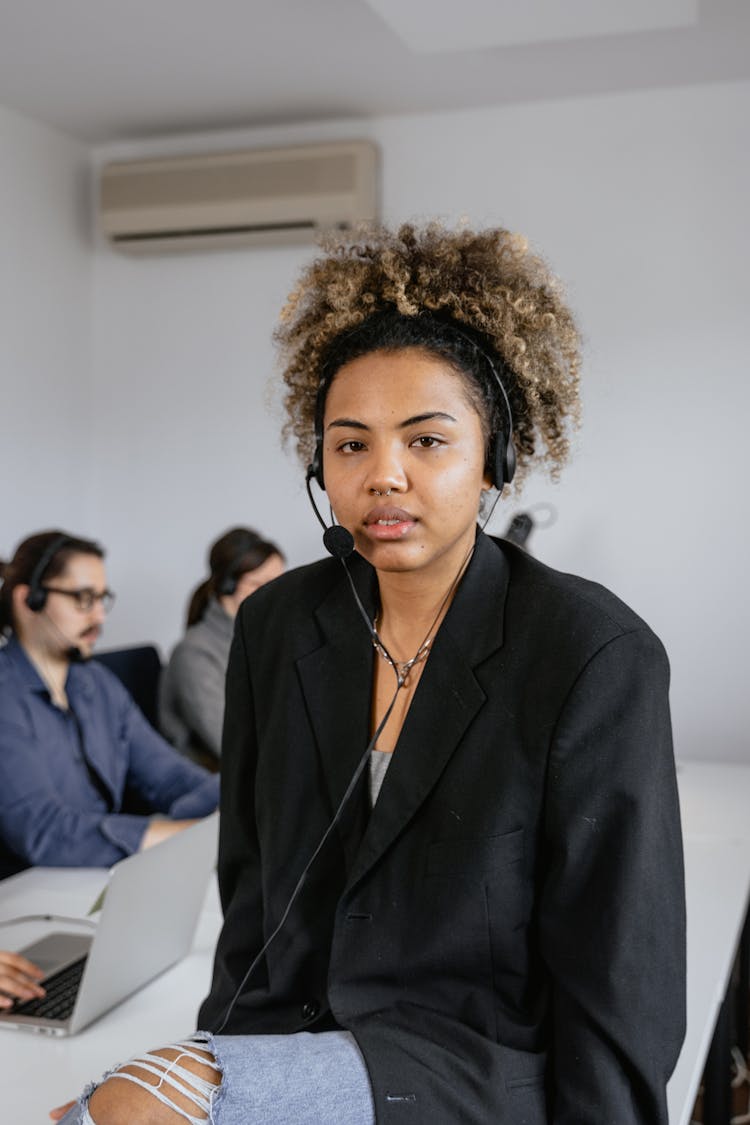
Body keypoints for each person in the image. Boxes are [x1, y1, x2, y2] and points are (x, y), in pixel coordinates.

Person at [54, 223, 685, 1125]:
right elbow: (252, 900)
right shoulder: (278, 622)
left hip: (473, 1066)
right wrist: (228, 1072)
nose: (383, 475)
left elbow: (619, 975)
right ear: (320, 463)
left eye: (427, 441)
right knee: (102, 1107)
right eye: (350, 445)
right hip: (296, 1036)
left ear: (496, 458)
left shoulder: (592, 651)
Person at [0, 531, 219, 878]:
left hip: (95, 877)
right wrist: (181, 837)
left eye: (103, 599)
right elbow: (42, 831)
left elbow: (167, 776)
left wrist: (237, 804)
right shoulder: (6, 695)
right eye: (84, 599)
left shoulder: (97, 684)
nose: (100, 616)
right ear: (29, 600)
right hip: (23, 891)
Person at [159, 528, 284, 765]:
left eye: (280, 585)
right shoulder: (194, 654)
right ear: (228, 586)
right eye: (261, 585)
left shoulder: (266, 640)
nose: (276, 596)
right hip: (214, 782)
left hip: (265, 773)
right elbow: (233, 745)